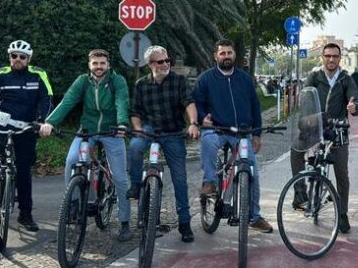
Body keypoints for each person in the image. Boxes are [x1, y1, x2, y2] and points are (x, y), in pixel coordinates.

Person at [39, 49, 132, 241]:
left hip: (112, 131)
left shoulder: (117, 81)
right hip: (87, 130)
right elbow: (68, 101)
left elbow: (121, 102)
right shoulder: (83, 81)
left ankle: (124, 222)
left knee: (121, 179)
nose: (99, 67)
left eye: (102, 63)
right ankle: (73, 204)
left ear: (108, 65)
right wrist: (50, 122)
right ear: (89, 65)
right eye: (95, 63)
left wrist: (122, 123)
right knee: (73, 160)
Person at [0, 40, 53, 232]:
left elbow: (46, 99)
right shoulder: (0, 74)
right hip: (1, 124)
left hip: (26, 126)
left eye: (22, 57)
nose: (17, 59)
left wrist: (44, 121)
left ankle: (26, 214)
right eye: (13, 56)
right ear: (9, 57)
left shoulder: (39, 74)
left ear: (28, 59)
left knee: (24, 171)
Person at [193, 39, 273, 233]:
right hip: (217, 129)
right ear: (216, 56)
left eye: (229, 52)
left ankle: (254, 216)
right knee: (208, 142)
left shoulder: (245, 79)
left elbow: (255, 107)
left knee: (252, 171)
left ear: (234, 55)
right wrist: (203, 118)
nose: (226, 56)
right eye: (222, 53)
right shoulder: (205, 79)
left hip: (242, 131)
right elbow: (197, 103)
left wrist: (257, 134)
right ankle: (210, 183)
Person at [126, 46, 199, 243]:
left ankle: (184, 222)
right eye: (161, 61)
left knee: (180, 180)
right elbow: (135, 112)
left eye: (168, 60)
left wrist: (192, 123)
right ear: (150, 65)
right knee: (134, 147)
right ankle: (135, 185)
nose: (166, 64)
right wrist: (138, 128)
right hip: (149, 129)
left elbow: (189, 103)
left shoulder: (179, 81)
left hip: (173, 132)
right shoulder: (141, 85)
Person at [291, 43, 358, 233]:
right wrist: (307, 121)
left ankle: (343, 214)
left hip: (337, 129)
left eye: (335, 56)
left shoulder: (346, 79)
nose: (331, 59)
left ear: (340, 58)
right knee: (296, 149)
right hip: (315, 126)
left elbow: (355, 98)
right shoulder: (314, 76)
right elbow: (305, 99)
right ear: (322, 57)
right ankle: (300, 194)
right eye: (328, 56)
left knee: (341, 173)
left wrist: (354, 107)